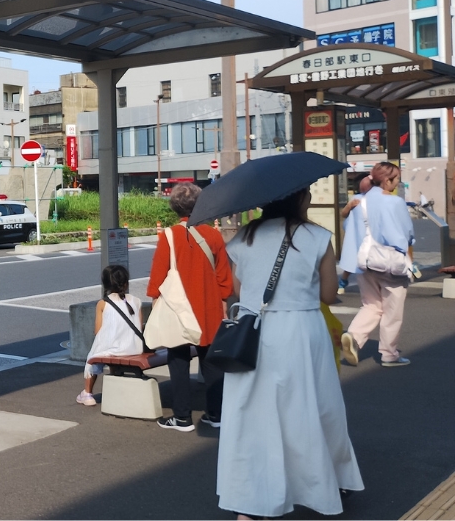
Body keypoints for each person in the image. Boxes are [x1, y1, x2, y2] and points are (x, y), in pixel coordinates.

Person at [218, 188, 363, 518]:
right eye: (306, 194)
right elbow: (328, 293)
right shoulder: (317, 236)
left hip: (253, 332)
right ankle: (322, 485)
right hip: (301, 330)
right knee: (314, 408)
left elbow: (239, 290)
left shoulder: (244, 237)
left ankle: (249, 503)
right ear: (297, 199)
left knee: (252, 415)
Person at [147, 183, 233, 431]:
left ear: (174, 207)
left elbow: (158, 275)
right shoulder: (214, 235)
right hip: (209, 306)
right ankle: (216, 414)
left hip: (179, 309)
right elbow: (223, 275)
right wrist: (224, 299)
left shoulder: (170, 235)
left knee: (178, 360)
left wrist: (154, 296)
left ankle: (182, 417)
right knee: (211, 361)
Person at [341, 161, 415, 367]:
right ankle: (389, 354)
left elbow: (348, 225)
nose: (398, 183)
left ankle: (353, 337)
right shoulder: (395, 202)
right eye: (396, 179)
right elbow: (408, 233)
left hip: (365, 260)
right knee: (392, 309)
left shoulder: (358, 201)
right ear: (386, 180)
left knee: (371, 305)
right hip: (390, 262)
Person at [78, 265, 145, 406]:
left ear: (105, 285)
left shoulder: (103, 303)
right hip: (134, 348)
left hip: (114, 350)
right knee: (112, 347)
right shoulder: (136, 301)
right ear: (126, 283)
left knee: (93, 357)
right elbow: (139, 327)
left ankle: (87, 393)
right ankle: (117, 376)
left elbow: (98, 331)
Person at [337, 176, 373, 294]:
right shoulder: (356, 199)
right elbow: (344, 214)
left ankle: (371, 286)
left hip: (371, 234)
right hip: (358, 233)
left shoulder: (377, 198)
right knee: (353, 258)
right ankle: (342, 282)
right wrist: (349, 206)